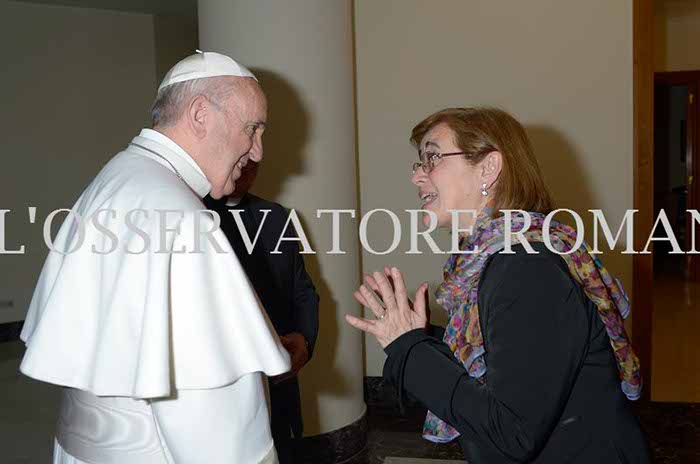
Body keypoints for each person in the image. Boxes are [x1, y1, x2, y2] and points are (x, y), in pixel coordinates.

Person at [19, 52, 291, 464]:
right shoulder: (184, 217)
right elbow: (211, 415)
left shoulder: (118, 175)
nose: (257, 152)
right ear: (200, 114)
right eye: (252, 129)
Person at [346, 107, 651, 463]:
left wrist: (410, 348)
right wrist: (420, 338)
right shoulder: (500, 258)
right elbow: (503, 357)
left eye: (432, 157)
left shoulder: (527, 268)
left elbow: (511, 433)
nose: (417, 176)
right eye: (419, 162)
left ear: (488, 168)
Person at [204, 161, 320, 464]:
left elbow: (303, 290)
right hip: (227, 394)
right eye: (240, 158)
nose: (247, 167)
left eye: (253, 162)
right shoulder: (191, 218)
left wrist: (305, 341)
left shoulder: (276, 216)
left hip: (281, 386)